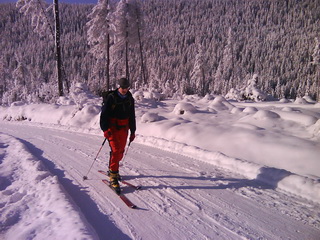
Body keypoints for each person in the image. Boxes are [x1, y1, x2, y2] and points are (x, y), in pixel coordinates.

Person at [100, 77, 136, 194]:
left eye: (126, 88)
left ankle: (113, 169)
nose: (125, 90)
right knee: (115, 151)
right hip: (113, 129)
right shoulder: (111, 98)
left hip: (124, 129)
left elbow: (132, 115)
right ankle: (113, 177)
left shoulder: (130, 98)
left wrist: (133, 131)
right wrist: (105, 129)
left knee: (120, 152)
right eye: (123, 88)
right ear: (118, 87)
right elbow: (104, 115)